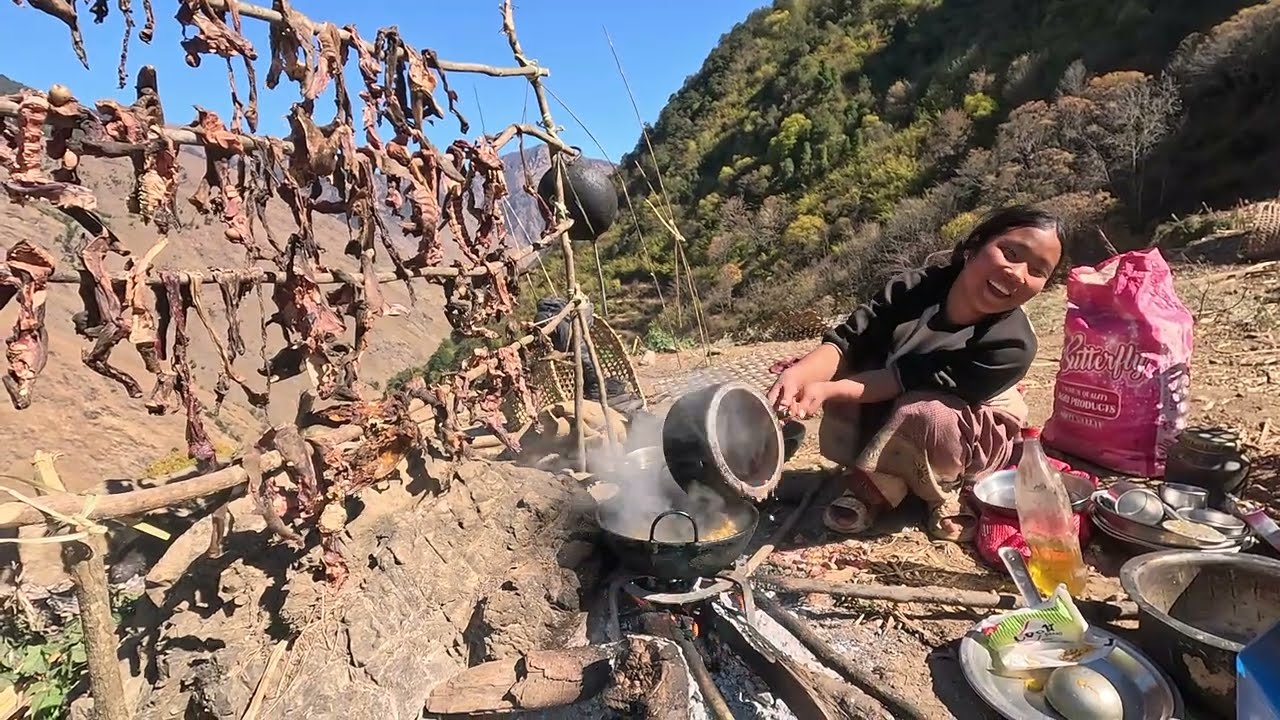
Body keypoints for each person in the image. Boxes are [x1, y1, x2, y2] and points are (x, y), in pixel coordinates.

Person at [766, 205, 1064, 543]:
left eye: (1038, 271)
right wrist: (800, 375)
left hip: (963, 429)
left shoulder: (1011, 345)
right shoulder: (914, 288)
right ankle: (884, 474)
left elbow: (902, 380)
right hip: (897, 399)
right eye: (1010, 253)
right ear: (974, 246)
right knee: (845, 371)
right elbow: (848, 341)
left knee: (926, 413)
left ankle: (941, 487)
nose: (1018, 273)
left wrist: (825, 391)